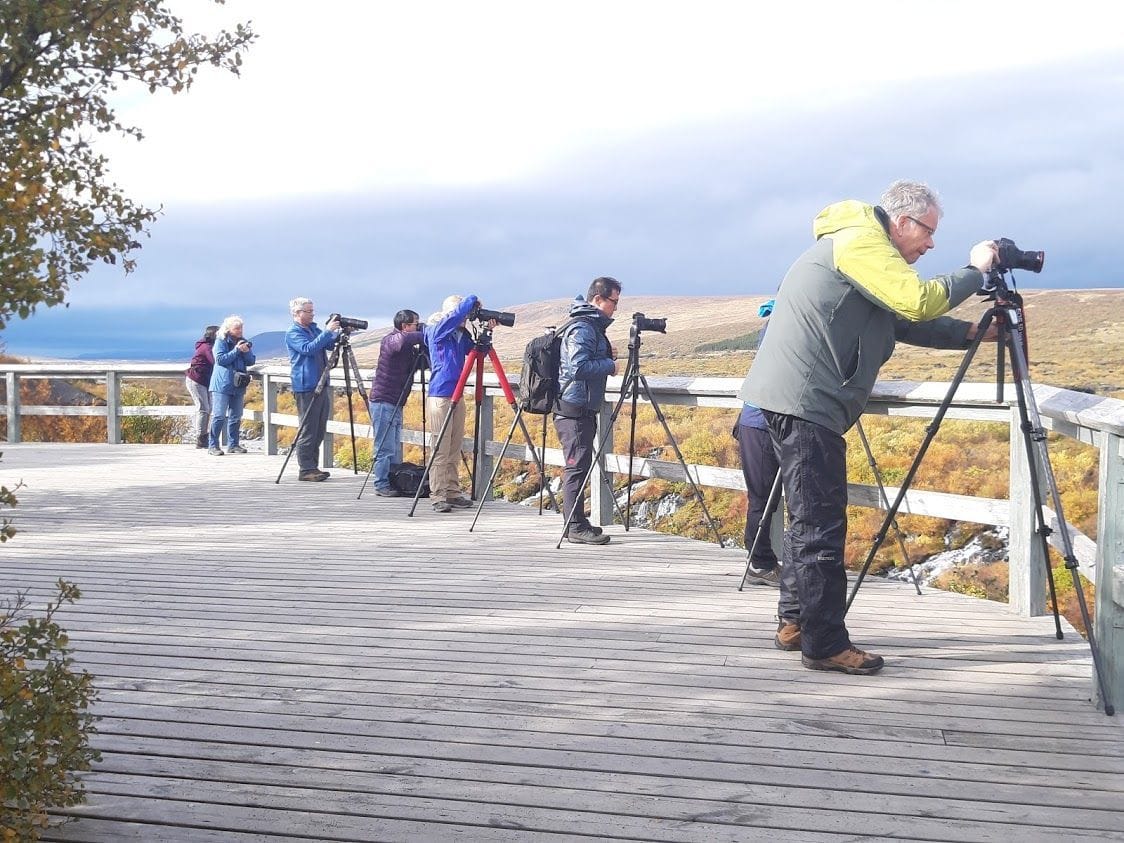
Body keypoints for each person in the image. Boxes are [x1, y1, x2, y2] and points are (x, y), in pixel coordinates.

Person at [739, 179, 999, 675]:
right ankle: (824, 643)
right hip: (807, 402)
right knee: (820, 525)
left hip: (795, 400)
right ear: (902, 222)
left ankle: (796, 621)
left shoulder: (858, 248)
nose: (930, 244)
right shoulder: (862, 242)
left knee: (805, 518)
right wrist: (977, 270)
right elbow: (919, 302)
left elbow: (902, 321)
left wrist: (971, 333)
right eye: (927, 232)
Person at [553, 276, 621, 546]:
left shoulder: (588, 326)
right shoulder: (583, 328)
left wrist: (605, 353)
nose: (616, 308)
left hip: (578, 405)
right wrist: (609, 365)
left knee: (578, 464)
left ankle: (578, 522)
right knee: (576, 467)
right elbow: (577, 368)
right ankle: (574, 527)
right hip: (574, 408)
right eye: (613, 302)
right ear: (598, 299)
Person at [735, 300, 780, 585]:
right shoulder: (781, 325)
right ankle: (759, 563)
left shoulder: (777, 321)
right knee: (762, 497)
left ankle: (762, 560)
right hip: (760, 421)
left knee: (766, 497)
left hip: (759, 420)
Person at [424, 294, 481, 512]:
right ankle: (438, 495)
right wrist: (472, 299)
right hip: (441, 394)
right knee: (440, 447)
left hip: (458, 393)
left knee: (455, 447)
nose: (465, 318)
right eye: (463, 314)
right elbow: (455, 315)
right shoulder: (437, 330)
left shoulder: (460, 334)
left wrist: (488, 332)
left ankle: (452, 491)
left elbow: (477, 351)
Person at [368, 309, 426, 497]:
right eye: (415, 324)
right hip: (383, 400)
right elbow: (401, 341)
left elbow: (423, 364)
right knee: (384, 446)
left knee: (393, 445)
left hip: (396, 401)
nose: (418, 326)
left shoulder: (409, 348)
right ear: (405, 326)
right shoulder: (391, 341)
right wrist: (425, 333)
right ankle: (381, 483)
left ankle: (393, 480)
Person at [285, 298, 341, 481]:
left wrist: (338, 334)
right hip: (306, 384)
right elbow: (308, 348)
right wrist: (327, 332)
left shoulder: (314, 329)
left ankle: (313, 467)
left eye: (312, 310)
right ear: (297, 313)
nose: (312, 314)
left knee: (319, 427)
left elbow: (328, 345)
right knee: (308, 427)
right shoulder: (293, 333)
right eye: (308, 311)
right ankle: (305, 469)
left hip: (321, 382)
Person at [208, 315, 256, 456]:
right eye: (236, 328)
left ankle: (233, 444)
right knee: (219, 415)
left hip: (238, 383)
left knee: (236, 415)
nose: (240, 330)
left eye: (241, 328)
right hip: (222, 384)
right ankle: (213, 445)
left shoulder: (243, 342)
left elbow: (251, 361)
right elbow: (221, 360)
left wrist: (245, 352)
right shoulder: (221, 341)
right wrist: (237, 350)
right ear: (228, 329)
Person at [185, 325, 218, 449]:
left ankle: (203, 437)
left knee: (207, 408)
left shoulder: (206, 346)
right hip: (196, 379)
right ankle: (201, 438)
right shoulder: (207, 347)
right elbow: (215, 361)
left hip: (203, 380)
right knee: (203, 408)